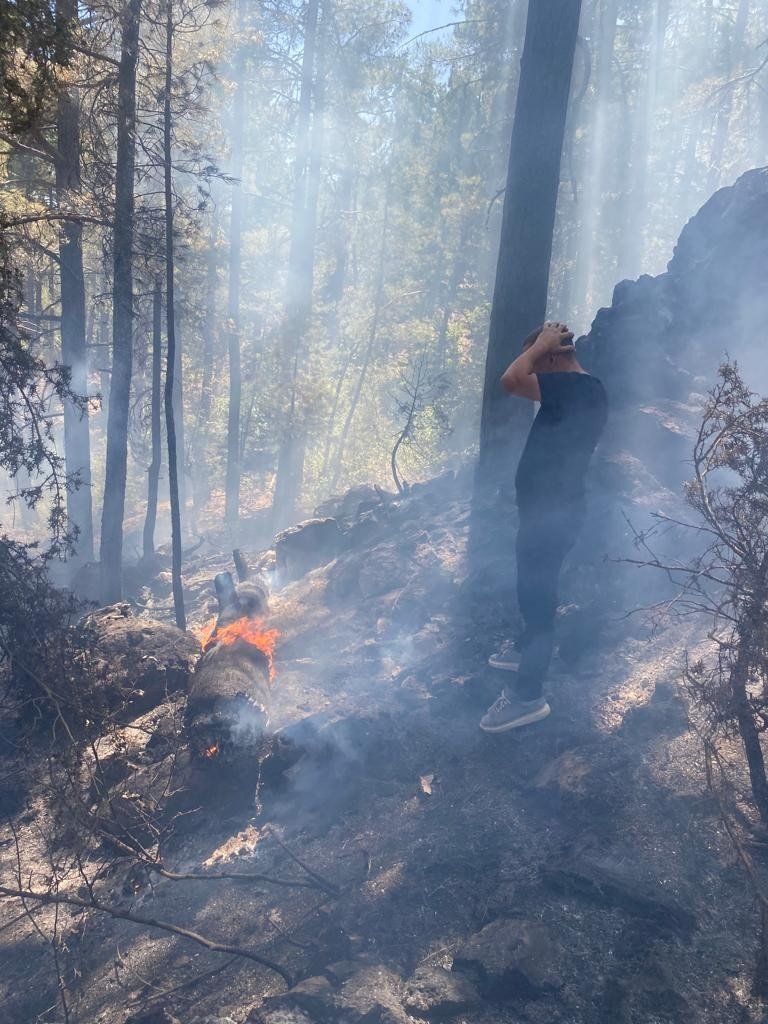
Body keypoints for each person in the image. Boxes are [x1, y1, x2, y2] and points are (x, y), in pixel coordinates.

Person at [480, 321, 607, 733]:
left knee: (538, 601)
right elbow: (523, 380)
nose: (536, 372)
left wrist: (541, 345)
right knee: (533, 592)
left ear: (553, 356)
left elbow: (512, 380)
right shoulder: (579, 392)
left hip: (552, 517)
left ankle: (527, 696)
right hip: (550, 514)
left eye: (540, 360)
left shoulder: (578, 388)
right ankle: (525, 650)